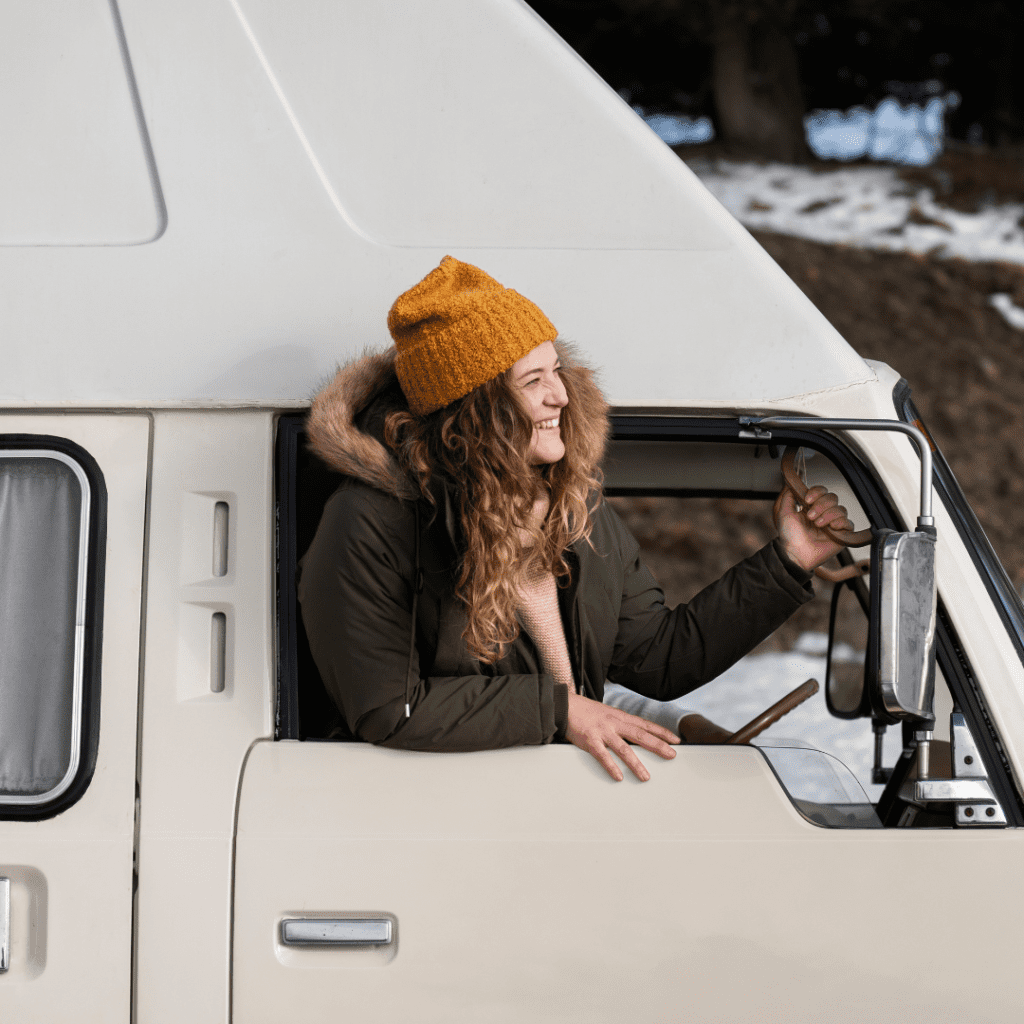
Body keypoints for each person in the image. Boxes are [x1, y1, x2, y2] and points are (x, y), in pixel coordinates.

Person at [298, 256, 854, 781]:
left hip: (559, 803)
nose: (560, 395)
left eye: (556, 371)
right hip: (436, 821)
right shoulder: (372, 521)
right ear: (474, 408)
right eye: (533, 381)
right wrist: (560, 712)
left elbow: (659, 658)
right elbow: (388, 708)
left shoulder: (573, 506)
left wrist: (789, 560)